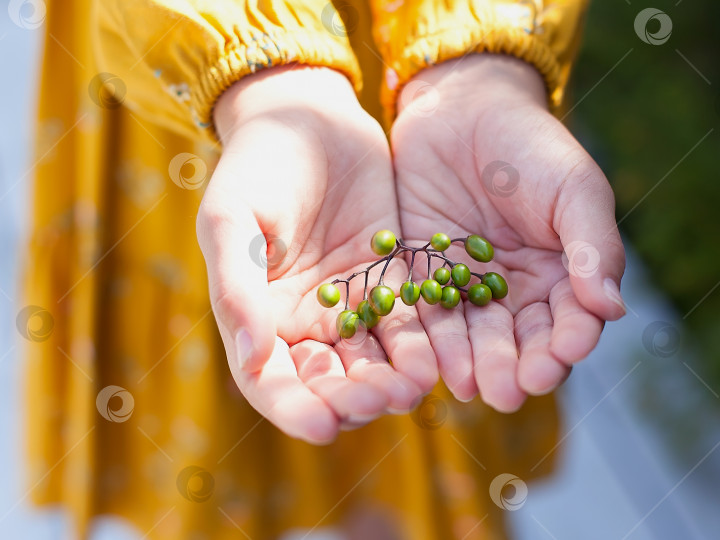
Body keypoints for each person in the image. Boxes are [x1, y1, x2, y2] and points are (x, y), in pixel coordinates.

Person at [22, 0, 625, 537]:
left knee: (404, 455)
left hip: (415, 97)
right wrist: (264, 86)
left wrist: (478, 64)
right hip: (199, 110)